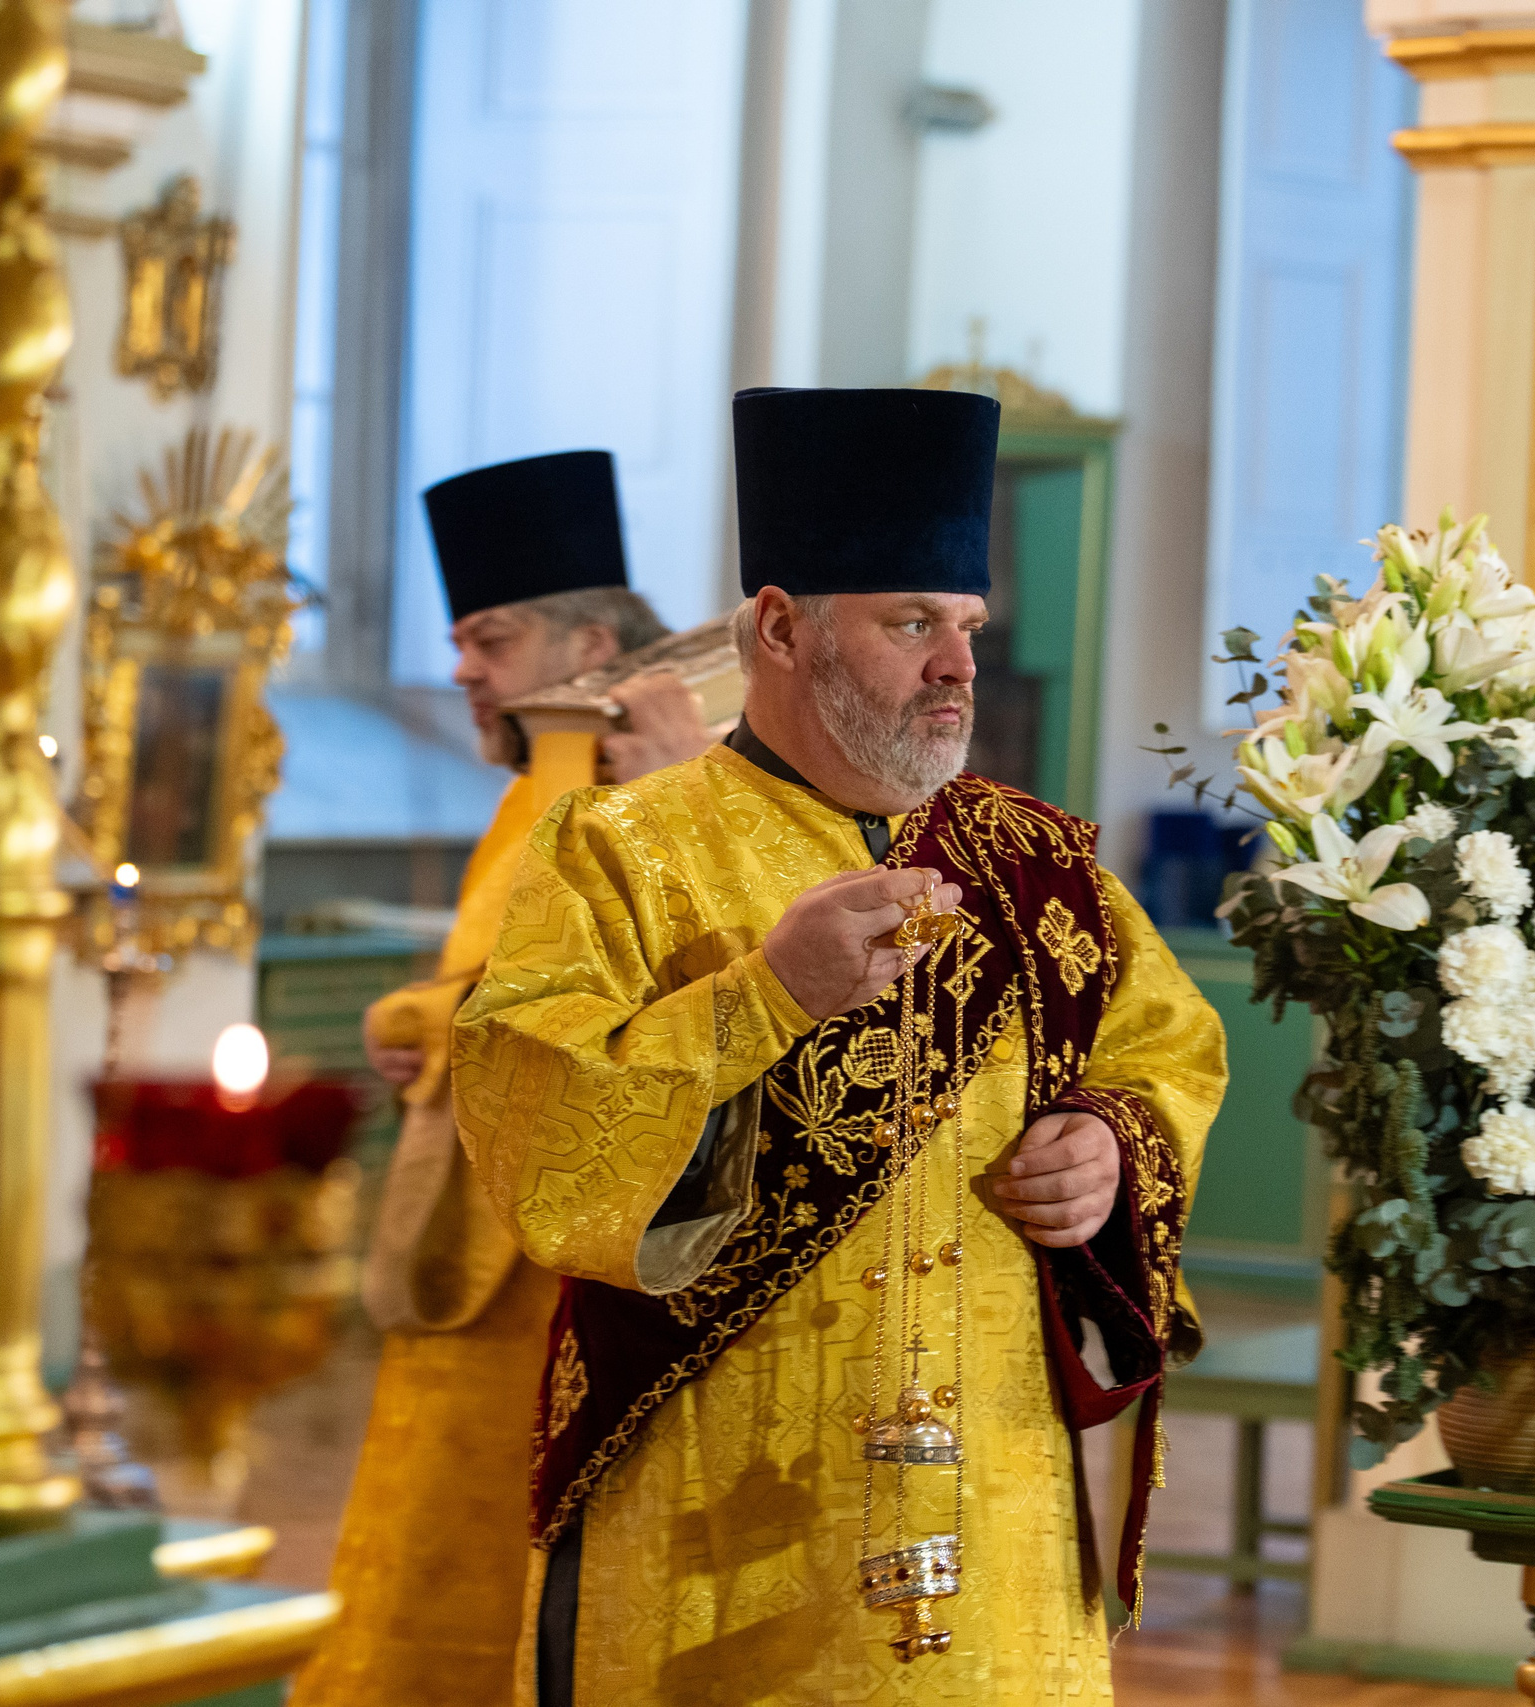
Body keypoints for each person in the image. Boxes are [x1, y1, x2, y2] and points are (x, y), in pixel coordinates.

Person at [453, 387, 1228, 1704]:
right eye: (911, 622)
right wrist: (765, 995)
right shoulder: (620, 848)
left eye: (967, 627)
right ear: (778, 625)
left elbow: (1169, 1047)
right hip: (721, 1516)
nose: (957, 667)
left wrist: (1111, 1143)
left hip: (997, 1503)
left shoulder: (1033, 855)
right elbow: (533, 1112)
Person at [294, 448, 713, 1707]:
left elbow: (643, 984)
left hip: (561, 1262)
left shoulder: (648, 779)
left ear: (590, 639)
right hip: (480, 1248)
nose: (464, 669)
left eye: (488, 640)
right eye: (460, 642)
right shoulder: (544, 780)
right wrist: (430, 1016)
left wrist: (435, 1015)